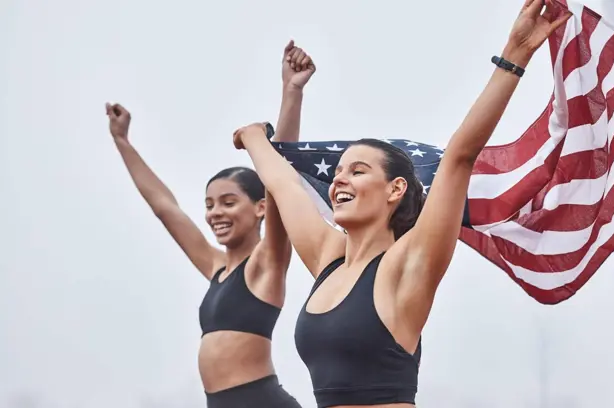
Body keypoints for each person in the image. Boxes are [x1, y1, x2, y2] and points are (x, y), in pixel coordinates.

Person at [231, 2, 571, 407]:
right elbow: (284, 185)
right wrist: (253, 136)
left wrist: (514, 56)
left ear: (395, 189)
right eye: (339, 171)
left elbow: (460, 155)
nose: (339, 178)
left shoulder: (408, 263)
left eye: (357, 171)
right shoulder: (328, 260)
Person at [106, 40, 316, 408]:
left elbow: (280, 177)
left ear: (261, 208)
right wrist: (123, 141)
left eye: (229, 202)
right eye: (209, 204)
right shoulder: (216, 267)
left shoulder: (265, 265)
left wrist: (291, 90)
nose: (215, 213)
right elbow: (165, 207)